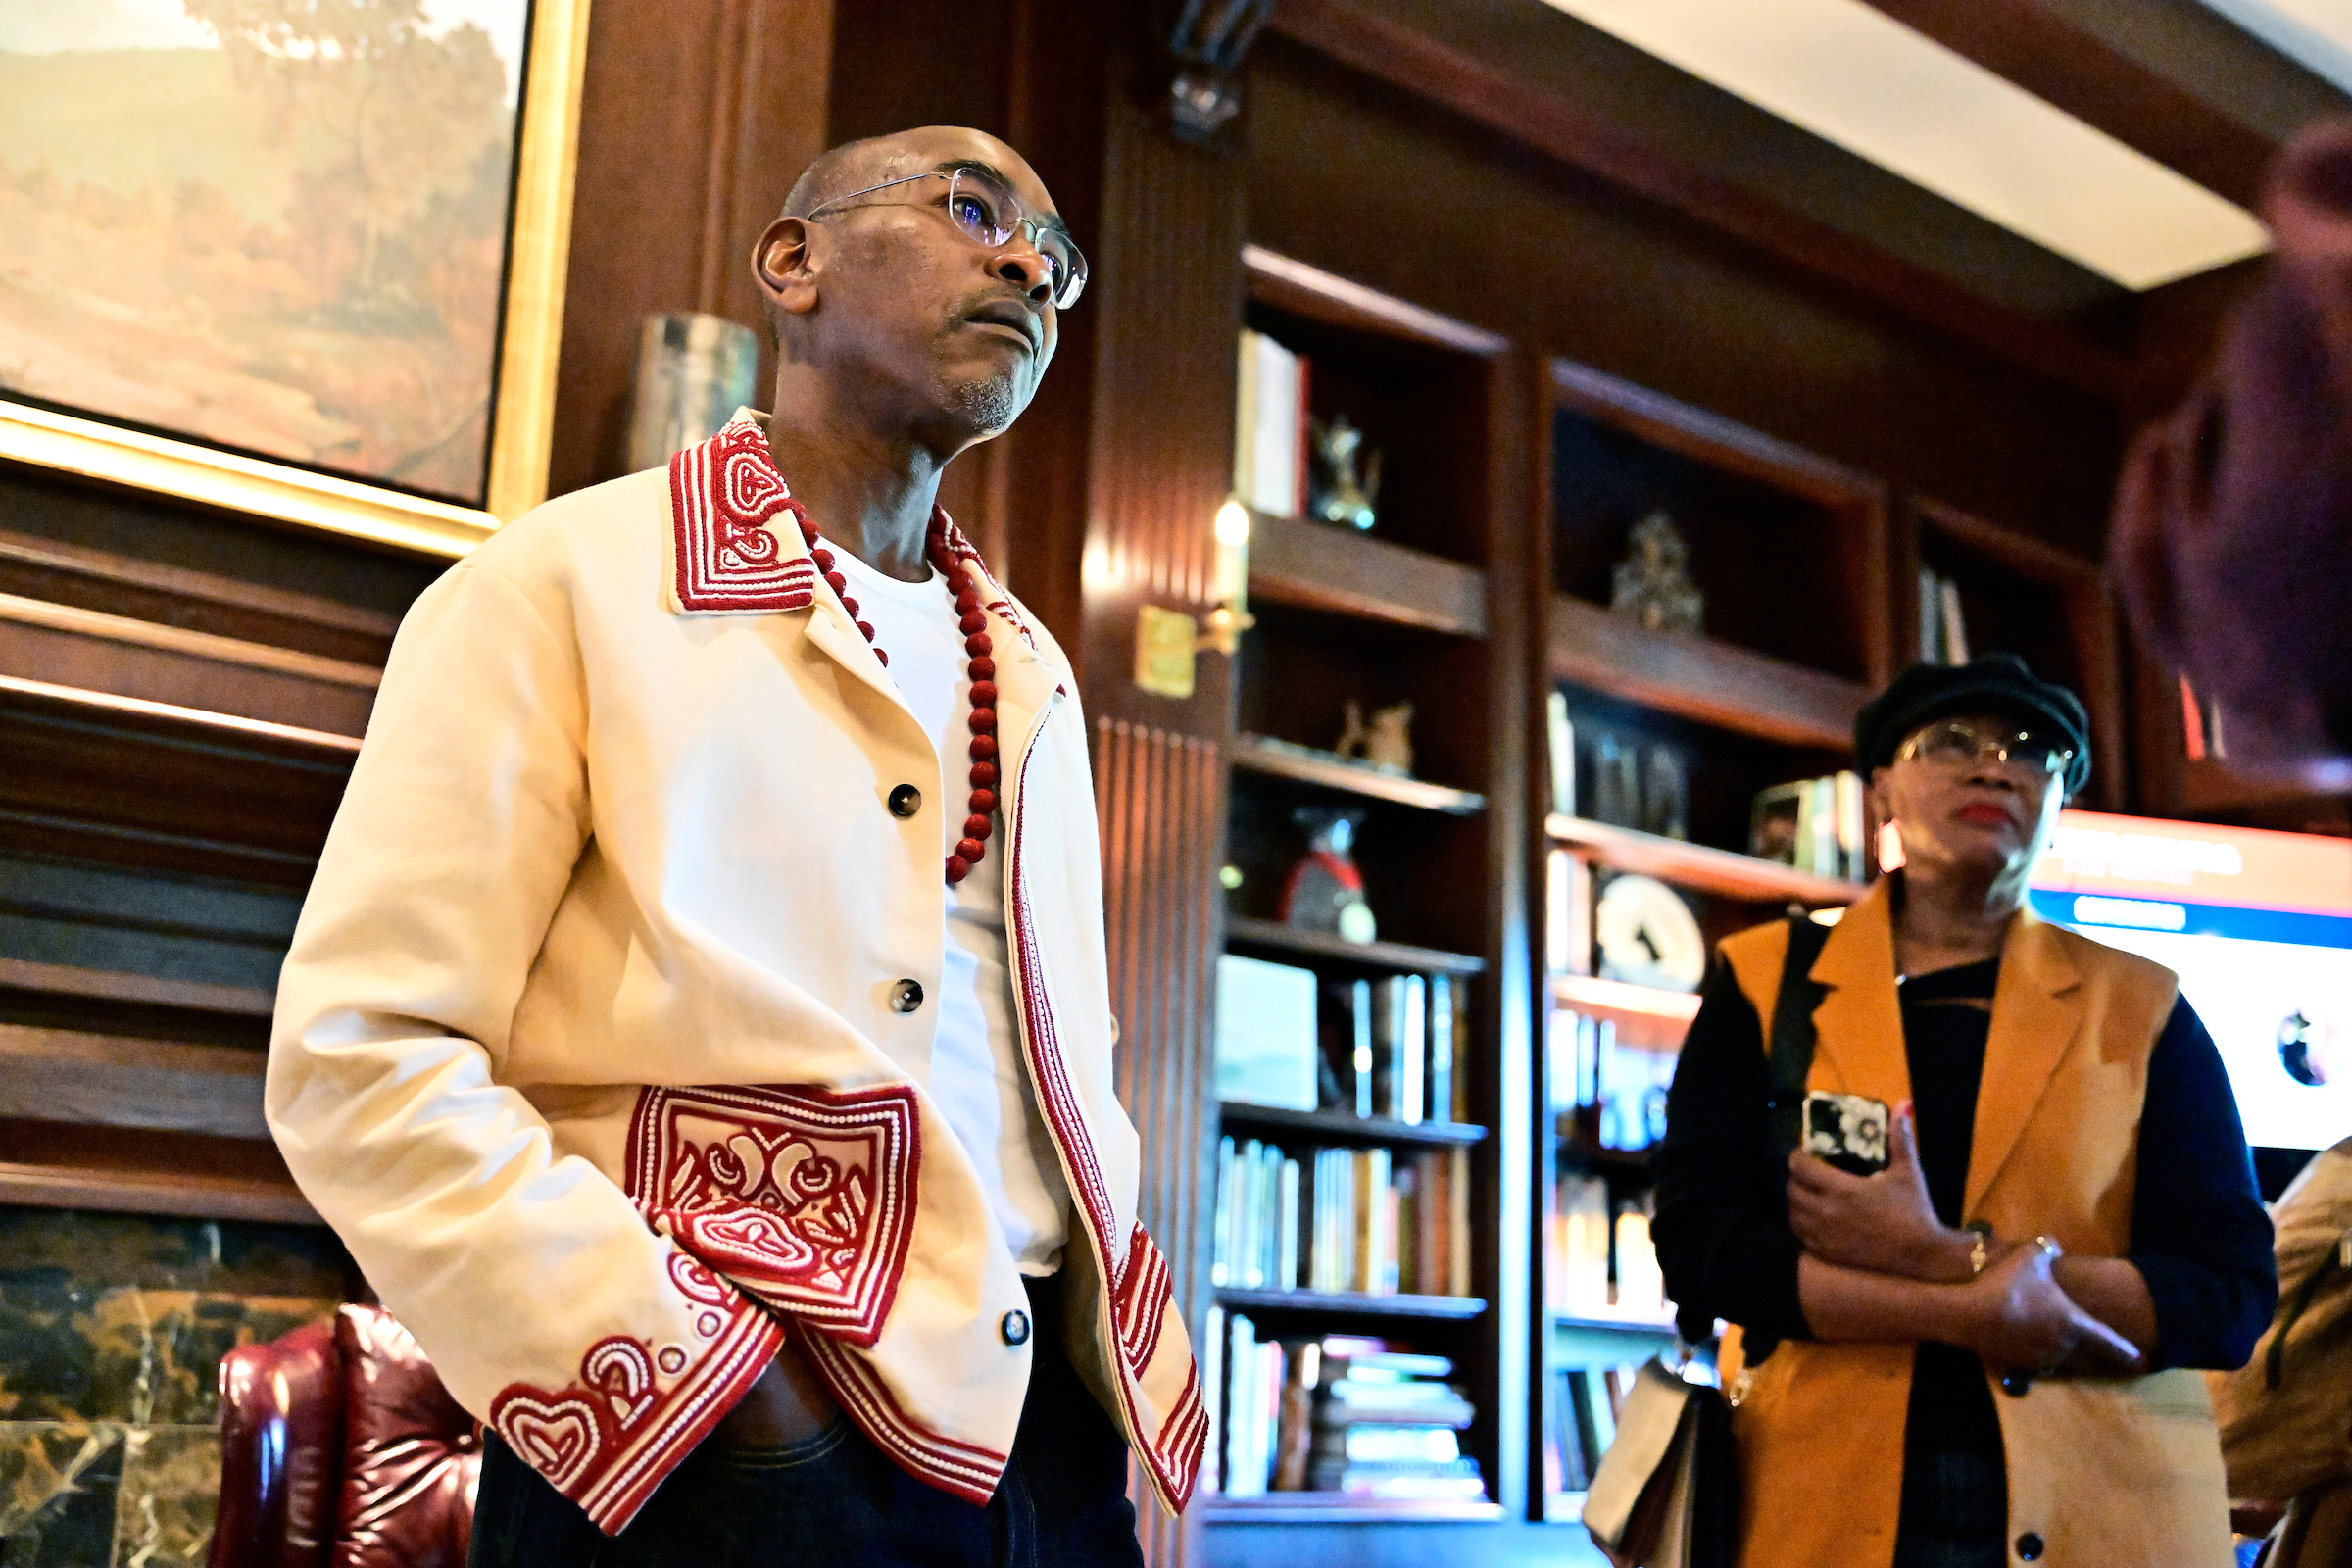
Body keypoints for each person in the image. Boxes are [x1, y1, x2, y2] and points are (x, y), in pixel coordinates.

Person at [267, 127, 1203, 1567]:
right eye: (971, 209)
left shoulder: (1031, 670)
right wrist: (722, 1392)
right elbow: (362, 1057)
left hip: (1052, 1464)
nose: (1027, 263)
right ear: (793, 262)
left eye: (1056, 257)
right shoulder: (562, 586)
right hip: (718, 1445)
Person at [1653, 654, 2277, 1568]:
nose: (1994, 766)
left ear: (2057, 807)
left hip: (2103, 1509)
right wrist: (1972, 1310)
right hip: (1817, 1500)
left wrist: (1936, 1254)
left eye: (2032, 753)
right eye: (1951, 742)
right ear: (1880, 794)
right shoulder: (1764, 982)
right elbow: (1702, 1250)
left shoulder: (2145, 1010)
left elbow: (2228, 1296)